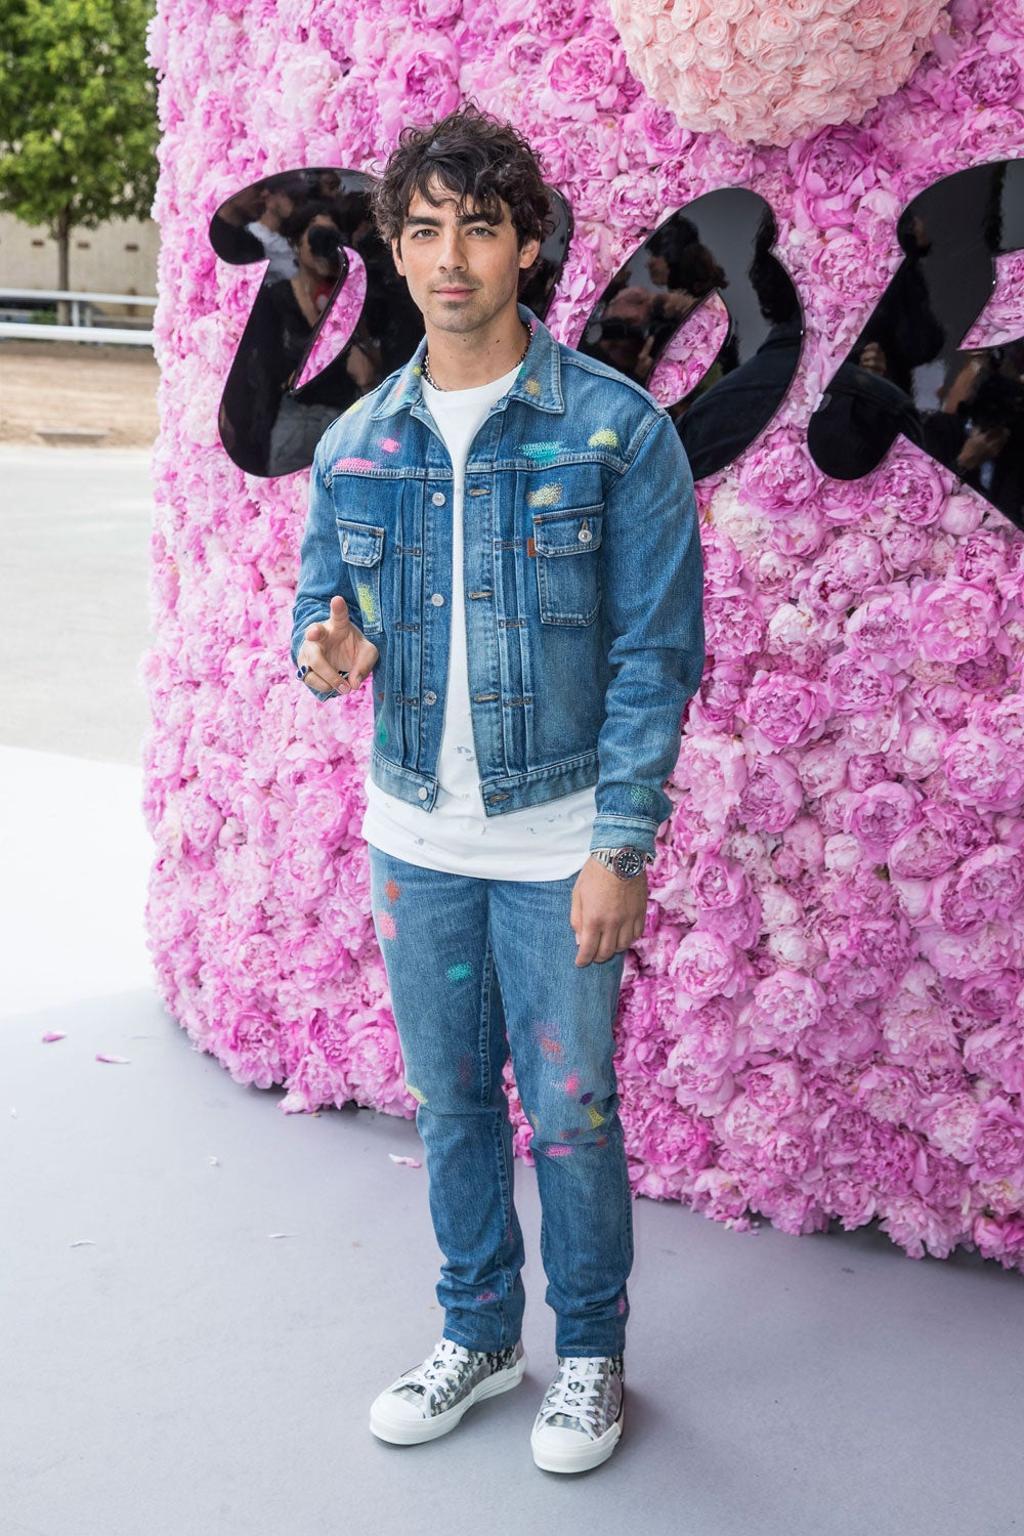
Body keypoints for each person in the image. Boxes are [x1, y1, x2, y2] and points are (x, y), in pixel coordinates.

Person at [290, 102, 705, 1474]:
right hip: (416, 837)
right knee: (454, 1104)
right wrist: (328, 652)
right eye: (424, 228)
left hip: (559, 841)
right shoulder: (358, 441)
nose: (451, 253)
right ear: (397, 254)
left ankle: (588, 1353)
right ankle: (480, 1335)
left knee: (572, 1105)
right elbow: (320, 620)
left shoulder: (616, 433)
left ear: (529, 243)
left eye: (481, 223)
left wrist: (621, 846)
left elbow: (657, 653)